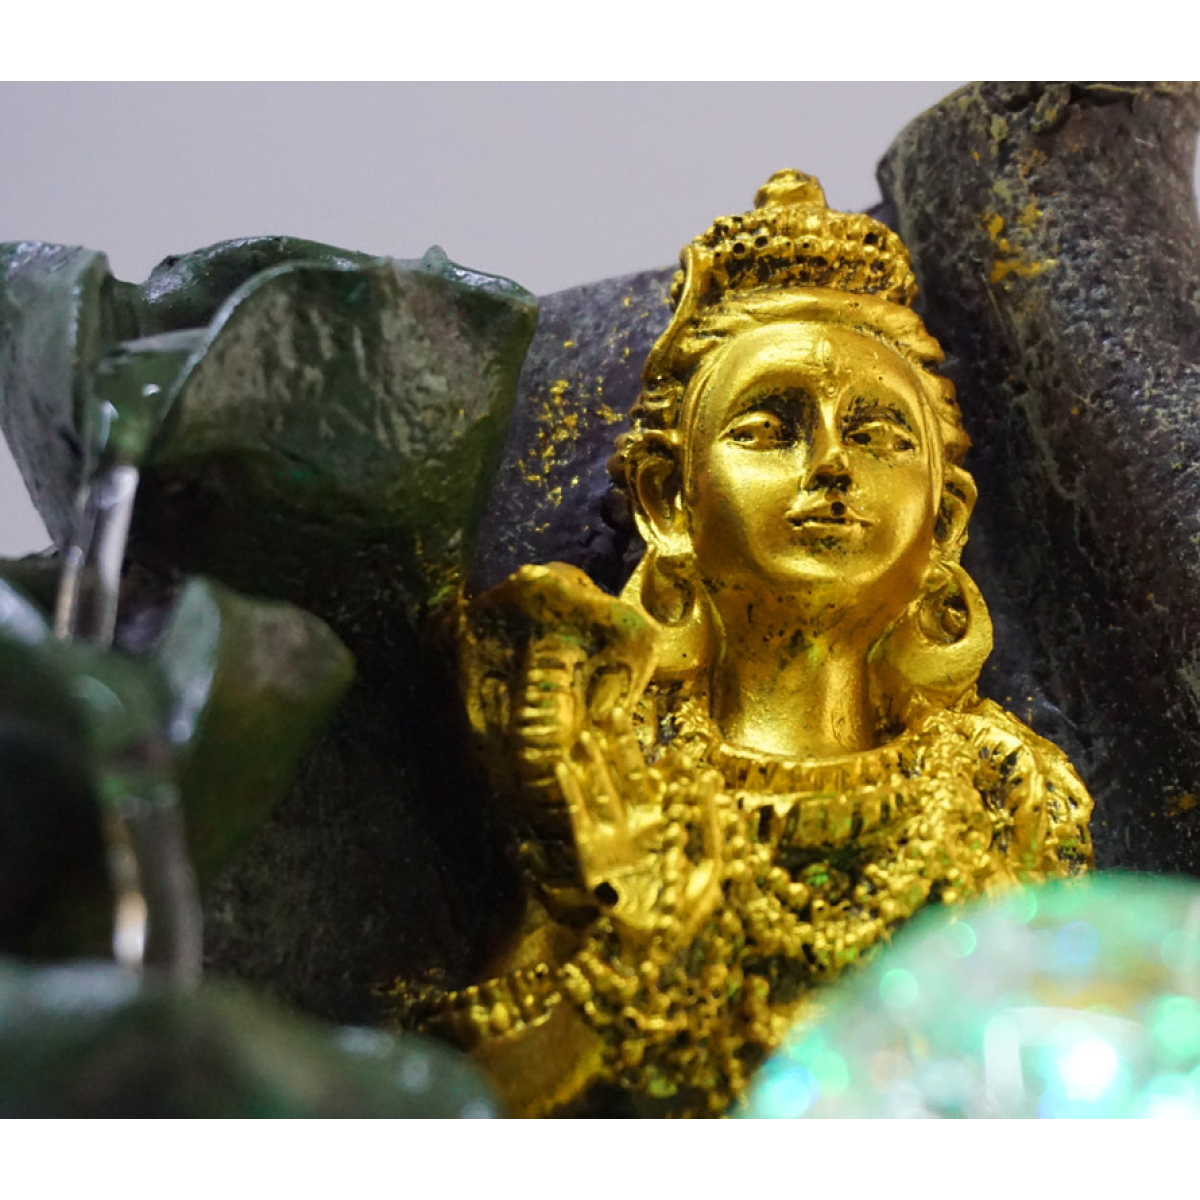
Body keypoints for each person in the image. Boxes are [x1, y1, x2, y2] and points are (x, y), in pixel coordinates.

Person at [395, 171, 1094, 1117]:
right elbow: (471, 1098)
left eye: (881, 434)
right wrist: (621, 941)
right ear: (667, 501)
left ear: (944, 520)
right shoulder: (616, 780)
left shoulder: (1007, 793)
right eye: (769, 430)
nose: (832, 465)